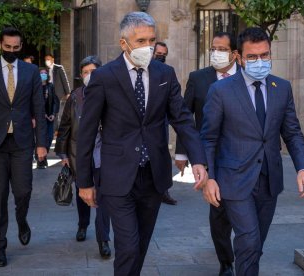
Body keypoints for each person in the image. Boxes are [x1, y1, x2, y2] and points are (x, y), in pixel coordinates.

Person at [76, 12, 208, 276]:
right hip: (117, 176)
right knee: (128, 246)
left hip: (153, 175)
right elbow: (87, 133)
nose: (148, 47)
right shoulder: (104, 77)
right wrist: (84, 182)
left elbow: (182, 118)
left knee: (141, 245)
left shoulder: (165, 74)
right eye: (140, 41)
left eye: (152, 40)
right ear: (124, 43)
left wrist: (199, 159)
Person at [200, 27, 304, 276]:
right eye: (252, 57)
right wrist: (209, 177)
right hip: (234, 180)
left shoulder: (281, 87)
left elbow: (292, 132)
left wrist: (303, 169)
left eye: (265, 55)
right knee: (249, 240)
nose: (260, 62)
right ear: (239, 57)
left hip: (269, 179)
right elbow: (208, 138)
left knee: (255, 245)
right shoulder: (221, 91)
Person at [0, 27, 47, 268]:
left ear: (20, 45)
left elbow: (39, 109)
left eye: (16, 48)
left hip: (22, 141)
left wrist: (42, 143)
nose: (12, 52)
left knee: (23, 191)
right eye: (7, 48)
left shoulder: (32, 71)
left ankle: (21, 219)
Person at [174, 32, 239, 276]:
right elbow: (184, 117)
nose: (216, 53)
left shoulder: (247, 77)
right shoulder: (198, 78)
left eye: (222, 48)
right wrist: (182, 153)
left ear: (234, 53)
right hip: (211, 156)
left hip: (242, 155)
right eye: (213, 48)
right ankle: (226, 262)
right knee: (219, 209)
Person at [55, 55, 112, 259]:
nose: (89, 76)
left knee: (103, 198)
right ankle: (82, 224)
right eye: (86, 72)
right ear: (81, 75)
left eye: (93, 72)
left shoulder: (110, 94)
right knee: (83, 193)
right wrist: (62, 153)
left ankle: (103, 239)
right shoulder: (75, 97)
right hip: (79, 153)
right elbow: (65, 127)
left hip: (104, 154)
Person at [151, 41, 177, 205]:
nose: (161, 57)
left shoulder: (166, 73)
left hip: (162, 121)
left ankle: (163, 191)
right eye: (158, 54)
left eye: (164, 55)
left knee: (162, 156)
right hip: (143, 123)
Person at [36, 68, 59, 169]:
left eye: (45, 73)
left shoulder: (51, 86)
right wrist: (42, 114)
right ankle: (40, 160)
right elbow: (35, 103)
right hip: (40, 118)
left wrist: (53, 114)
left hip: (50, 118)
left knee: (49, 138)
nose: (43, 75)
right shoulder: (35, 87)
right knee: (40, 139)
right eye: (41, 73)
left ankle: (44, 156)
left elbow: (55, 101)